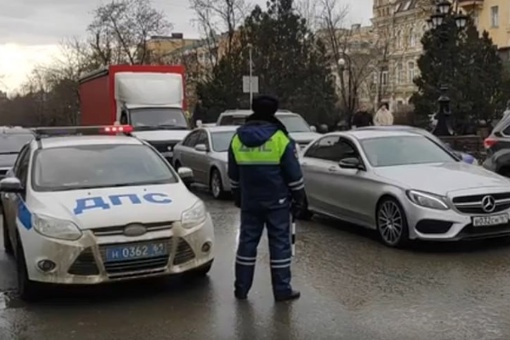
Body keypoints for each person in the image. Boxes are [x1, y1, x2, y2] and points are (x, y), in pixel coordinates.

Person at [228, 95, 305, 302]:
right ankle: (282, 290)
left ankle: (241, 289)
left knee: (247, 244)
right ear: (273, 112)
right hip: (277, 202)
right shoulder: (280, 138)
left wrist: (238, 196)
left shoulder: (237, 138)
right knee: (279, 245)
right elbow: (293, 174)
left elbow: (233, 174)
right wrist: (299, 197)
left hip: (250, 201)